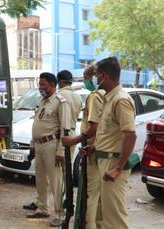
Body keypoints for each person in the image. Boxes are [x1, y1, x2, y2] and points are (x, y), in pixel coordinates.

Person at [83, 57, 136, 228]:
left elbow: (130, 135)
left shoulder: (120, 100)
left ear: (104, 76)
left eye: (97, 75)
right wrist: (94, 147)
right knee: (101, 214)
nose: (95, 79)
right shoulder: (109, 99)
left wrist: (118, 168)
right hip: (102, 159)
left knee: (114, 217)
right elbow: (110, 133)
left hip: (113, 163)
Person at [24, 72, 72, 227]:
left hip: (52, 145)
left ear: (52, 85)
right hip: (39, 145)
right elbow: (37, 124)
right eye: (39, 84)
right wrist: (32, 143)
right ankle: (42, 208)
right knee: (40, 179)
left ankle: (60, 213)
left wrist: (60, 151)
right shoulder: (43, 101)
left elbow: (65, 129)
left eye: (43, 84)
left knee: (55, 181)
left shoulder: (60, 102)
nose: (40, 87)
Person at [61, 65, 105, 229]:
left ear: (95, 77)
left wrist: (74, 140)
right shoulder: (107, 95)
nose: (86, 81)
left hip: (92, 150)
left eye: (86, 77)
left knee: (89, 195)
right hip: (100, 149)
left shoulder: (95, 96)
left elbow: (94, 126)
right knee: (100, 196)